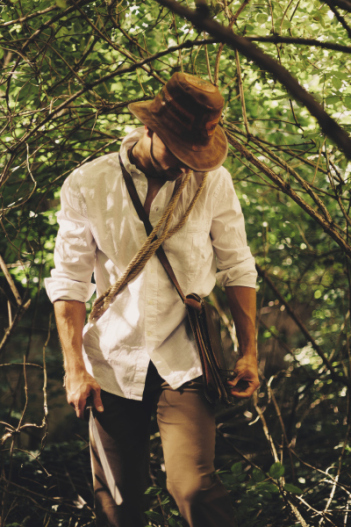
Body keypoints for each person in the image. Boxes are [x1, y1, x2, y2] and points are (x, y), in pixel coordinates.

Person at [45, 72, 259, 527]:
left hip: (187, 357)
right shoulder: (88, 182)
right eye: (178, 152)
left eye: (194, 155)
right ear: (150, 129)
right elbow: (68, 280)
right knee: (118, 505)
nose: (187, 164)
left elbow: (237, 264)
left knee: (194, 487)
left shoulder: (212, 179)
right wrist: (74, 369)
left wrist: (249, 352)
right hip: (111, 362)